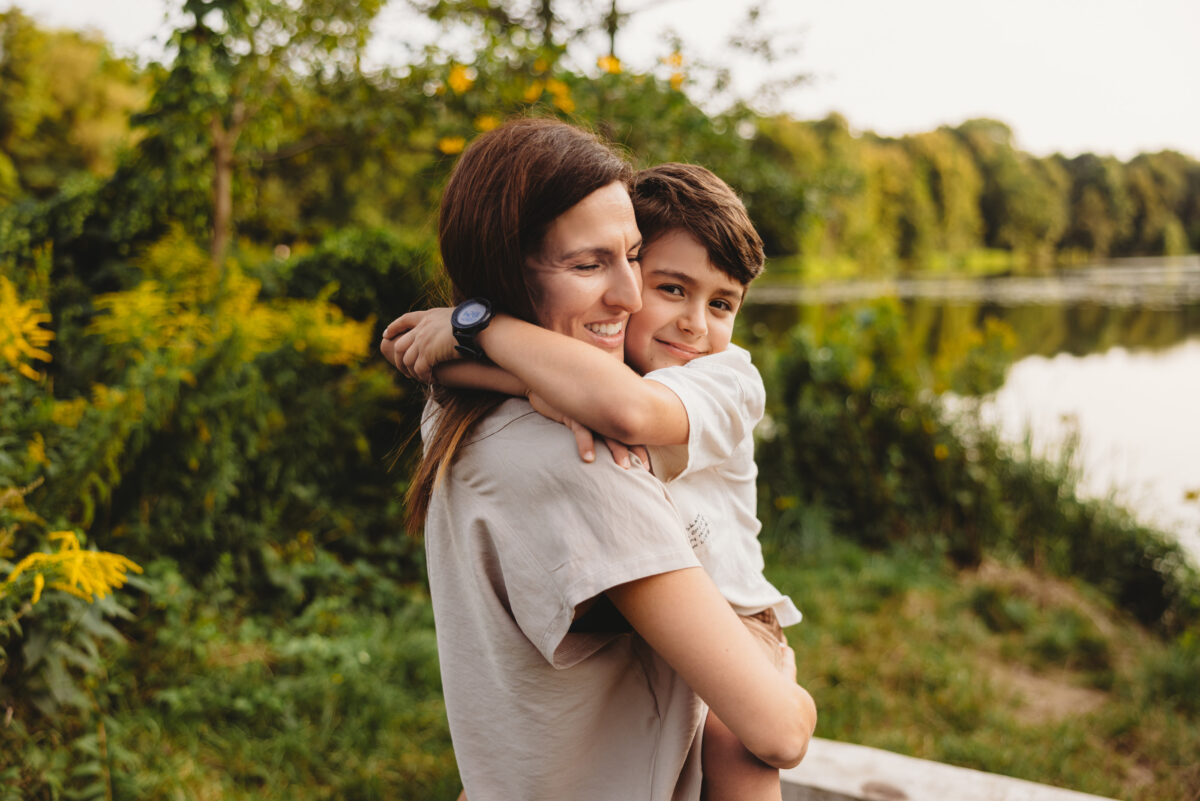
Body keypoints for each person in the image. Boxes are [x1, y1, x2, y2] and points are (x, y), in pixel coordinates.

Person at [379, 118, 815, 801]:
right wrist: (498, 346)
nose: (633, 297)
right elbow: (781, 727)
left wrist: (480, 335)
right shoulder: (583, 459)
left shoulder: (716, 378)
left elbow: (624, 408)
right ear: (506, 269)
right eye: (590, 263)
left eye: (631, 256)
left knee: (740, 753)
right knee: (760, 732)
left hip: (738, 610)